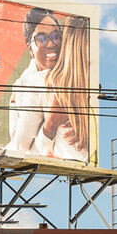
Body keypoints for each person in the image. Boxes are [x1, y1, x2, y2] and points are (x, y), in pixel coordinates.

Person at [2, 8, 62, 158]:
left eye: (55, 36)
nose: (50, 44)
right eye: (41, 39)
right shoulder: (22, 86)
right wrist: (50, 128)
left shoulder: (75, 78)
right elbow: (20, 146)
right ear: (30, 47)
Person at [42, 12, 96, 164]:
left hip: (69, 161)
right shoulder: (54, 84)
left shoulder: (54, 82)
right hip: (78, 162)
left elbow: (41, 150)